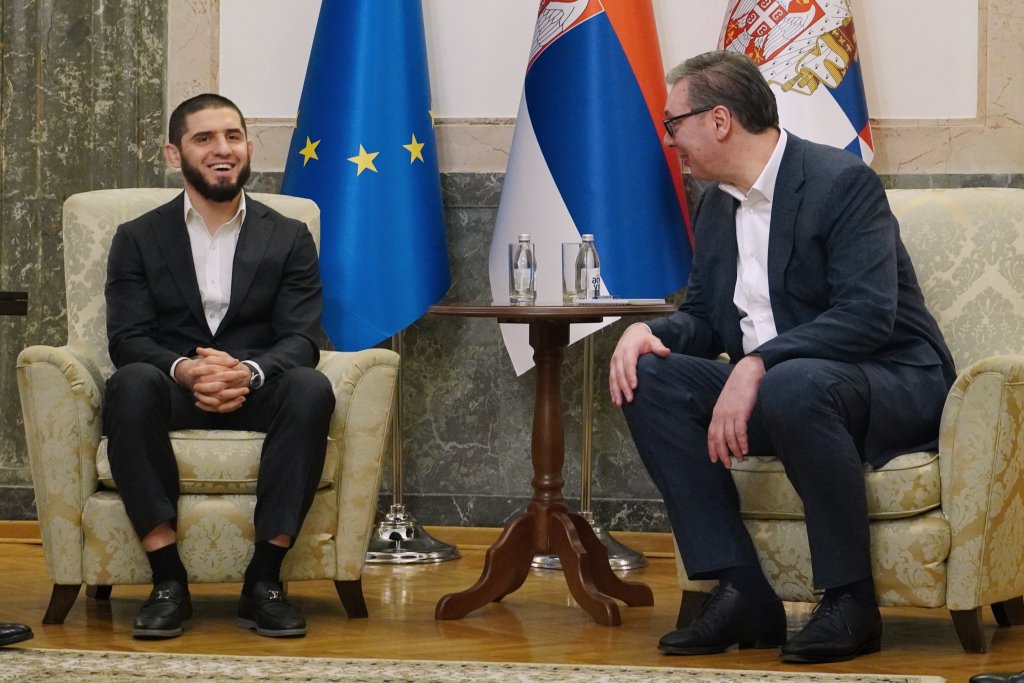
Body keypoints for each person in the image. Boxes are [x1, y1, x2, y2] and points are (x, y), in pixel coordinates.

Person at [609, 51, 955, 664]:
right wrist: (647, 332)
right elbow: (705, 318)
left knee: (792, 383)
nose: (669, 141)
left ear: (719, 120)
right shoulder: (716, 204)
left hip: (891, 381)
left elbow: (867, 314)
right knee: (650, 377)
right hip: (786, 390)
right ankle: (741, 588)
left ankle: (850, 601)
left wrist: (757, 364)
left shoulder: (840, 182)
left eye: (673, 124)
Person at [104, 93, 335, 639]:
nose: (222, 149)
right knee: (129, 384)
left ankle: (264, 581)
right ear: (174, 154)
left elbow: (302, 338)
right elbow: (128, 339)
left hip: (256, 387)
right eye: (204, 138)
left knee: (311, 388)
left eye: (232, 136)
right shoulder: (137, 237)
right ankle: (167, 580)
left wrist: (247, 372)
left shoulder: (288, 235)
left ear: (248, 148)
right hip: (172, 386)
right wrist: (185, 370)